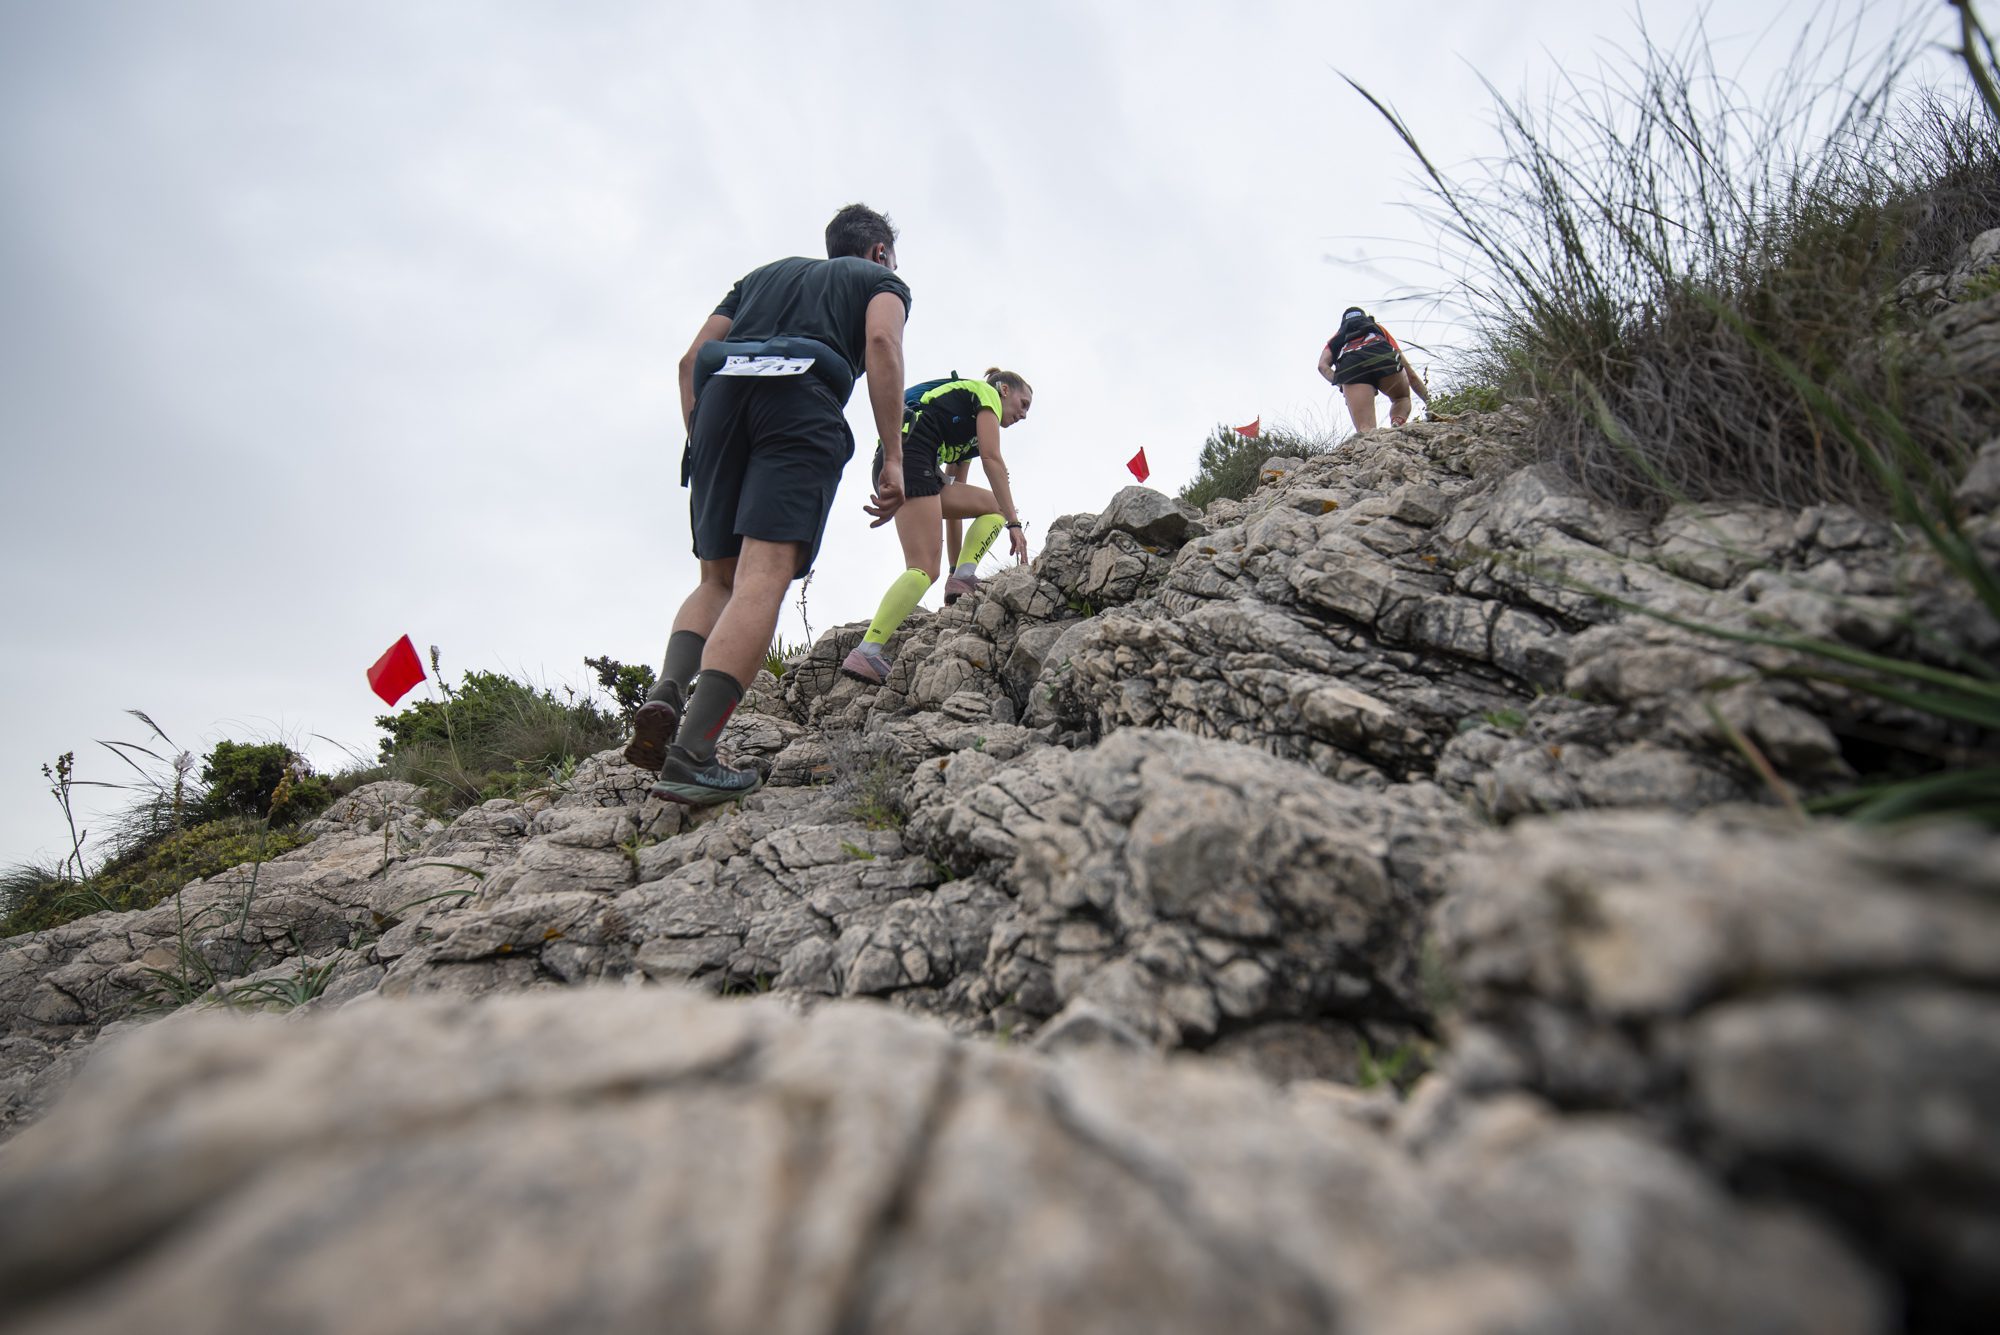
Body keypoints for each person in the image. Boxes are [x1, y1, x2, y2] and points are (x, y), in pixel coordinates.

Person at [624, 203, 911, 804]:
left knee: (716, 579)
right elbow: (882, 341)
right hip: (801, 400)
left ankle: (668, 690)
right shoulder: (878, 281)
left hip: (718, 404)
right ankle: (692, 756)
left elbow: (689, 361)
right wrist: (893, 455)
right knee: (763, 574)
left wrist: (703, 439)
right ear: (880, 251)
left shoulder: (760, 277)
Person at [840, 369, 1033, 684]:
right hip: (911, 458)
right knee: (923, 568)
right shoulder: (984, 394)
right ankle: (867, 651)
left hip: (910, 464)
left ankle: (963, 574)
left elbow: (956, 508)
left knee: (993, 507)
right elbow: (993, 459)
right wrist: (1014, 524)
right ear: (1004, 389)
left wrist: (956, 573)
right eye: (1023, 404)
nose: (1024, 415)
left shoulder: (967, 438)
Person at [1319, 306, 1429, 433]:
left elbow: (1322, 366)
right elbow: (1410, 374)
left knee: (1366, 430)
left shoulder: (1337, 337)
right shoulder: (1376, 328)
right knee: (1401, 398)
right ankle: (1397, 422)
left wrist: (1342, 384)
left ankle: (1372, 440)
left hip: (1352, 367)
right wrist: (1430, 402)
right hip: (1382, 356)